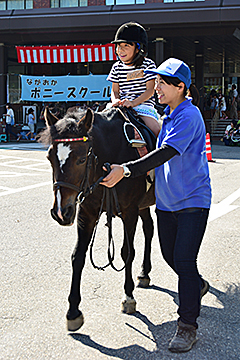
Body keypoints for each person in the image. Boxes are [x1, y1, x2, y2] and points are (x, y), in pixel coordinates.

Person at [101, 58, 212, 353]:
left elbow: (164, 153)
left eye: (163, 83)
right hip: (166, 203)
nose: (157, 88)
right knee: (170, 256)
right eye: (157, 82)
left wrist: (125, 170)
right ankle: (195, 285)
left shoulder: (189, 115)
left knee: (185, 261)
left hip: (192, 201)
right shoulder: (170, 114)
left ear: (181, 87)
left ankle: (187, 326)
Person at [107, 22, 160, 137]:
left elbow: (150, 90)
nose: (121, 50)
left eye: (126, 46)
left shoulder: (148, 65)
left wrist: (133, 103)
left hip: (142, 106)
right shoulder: (116, 67)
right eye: (118, 46)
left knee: (156, 131)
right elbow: (115, 90)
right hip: (121, 106)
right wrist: (115, 100)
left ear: (138, 48)